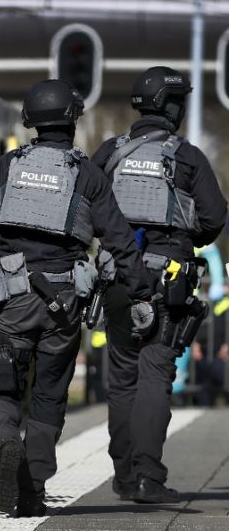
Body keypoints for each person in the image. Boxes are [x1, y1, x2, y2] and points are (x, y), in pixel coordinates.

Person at [0, 79, 154, 517]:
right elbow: (120, 241)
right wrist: (141, 293)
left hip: (9, 299)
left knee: (1, 388)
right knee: (50, 394)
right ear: (72, 119)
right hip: (63, 303)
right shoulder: (86, 173)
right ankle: (32, 486)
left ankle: (4, 446)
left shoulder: (6, 166)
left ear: (31, 120)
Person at [92, 66, 227, 503]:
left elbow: (83, 208)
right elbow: (213, 219)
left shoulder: (109, 152)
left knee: (123, 377)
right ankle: (149, 477)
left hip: (115, 276)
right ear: (173, 107)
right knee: (155, 373)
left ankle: (124, 475)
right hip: (166, 279)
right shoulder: (186, 156)